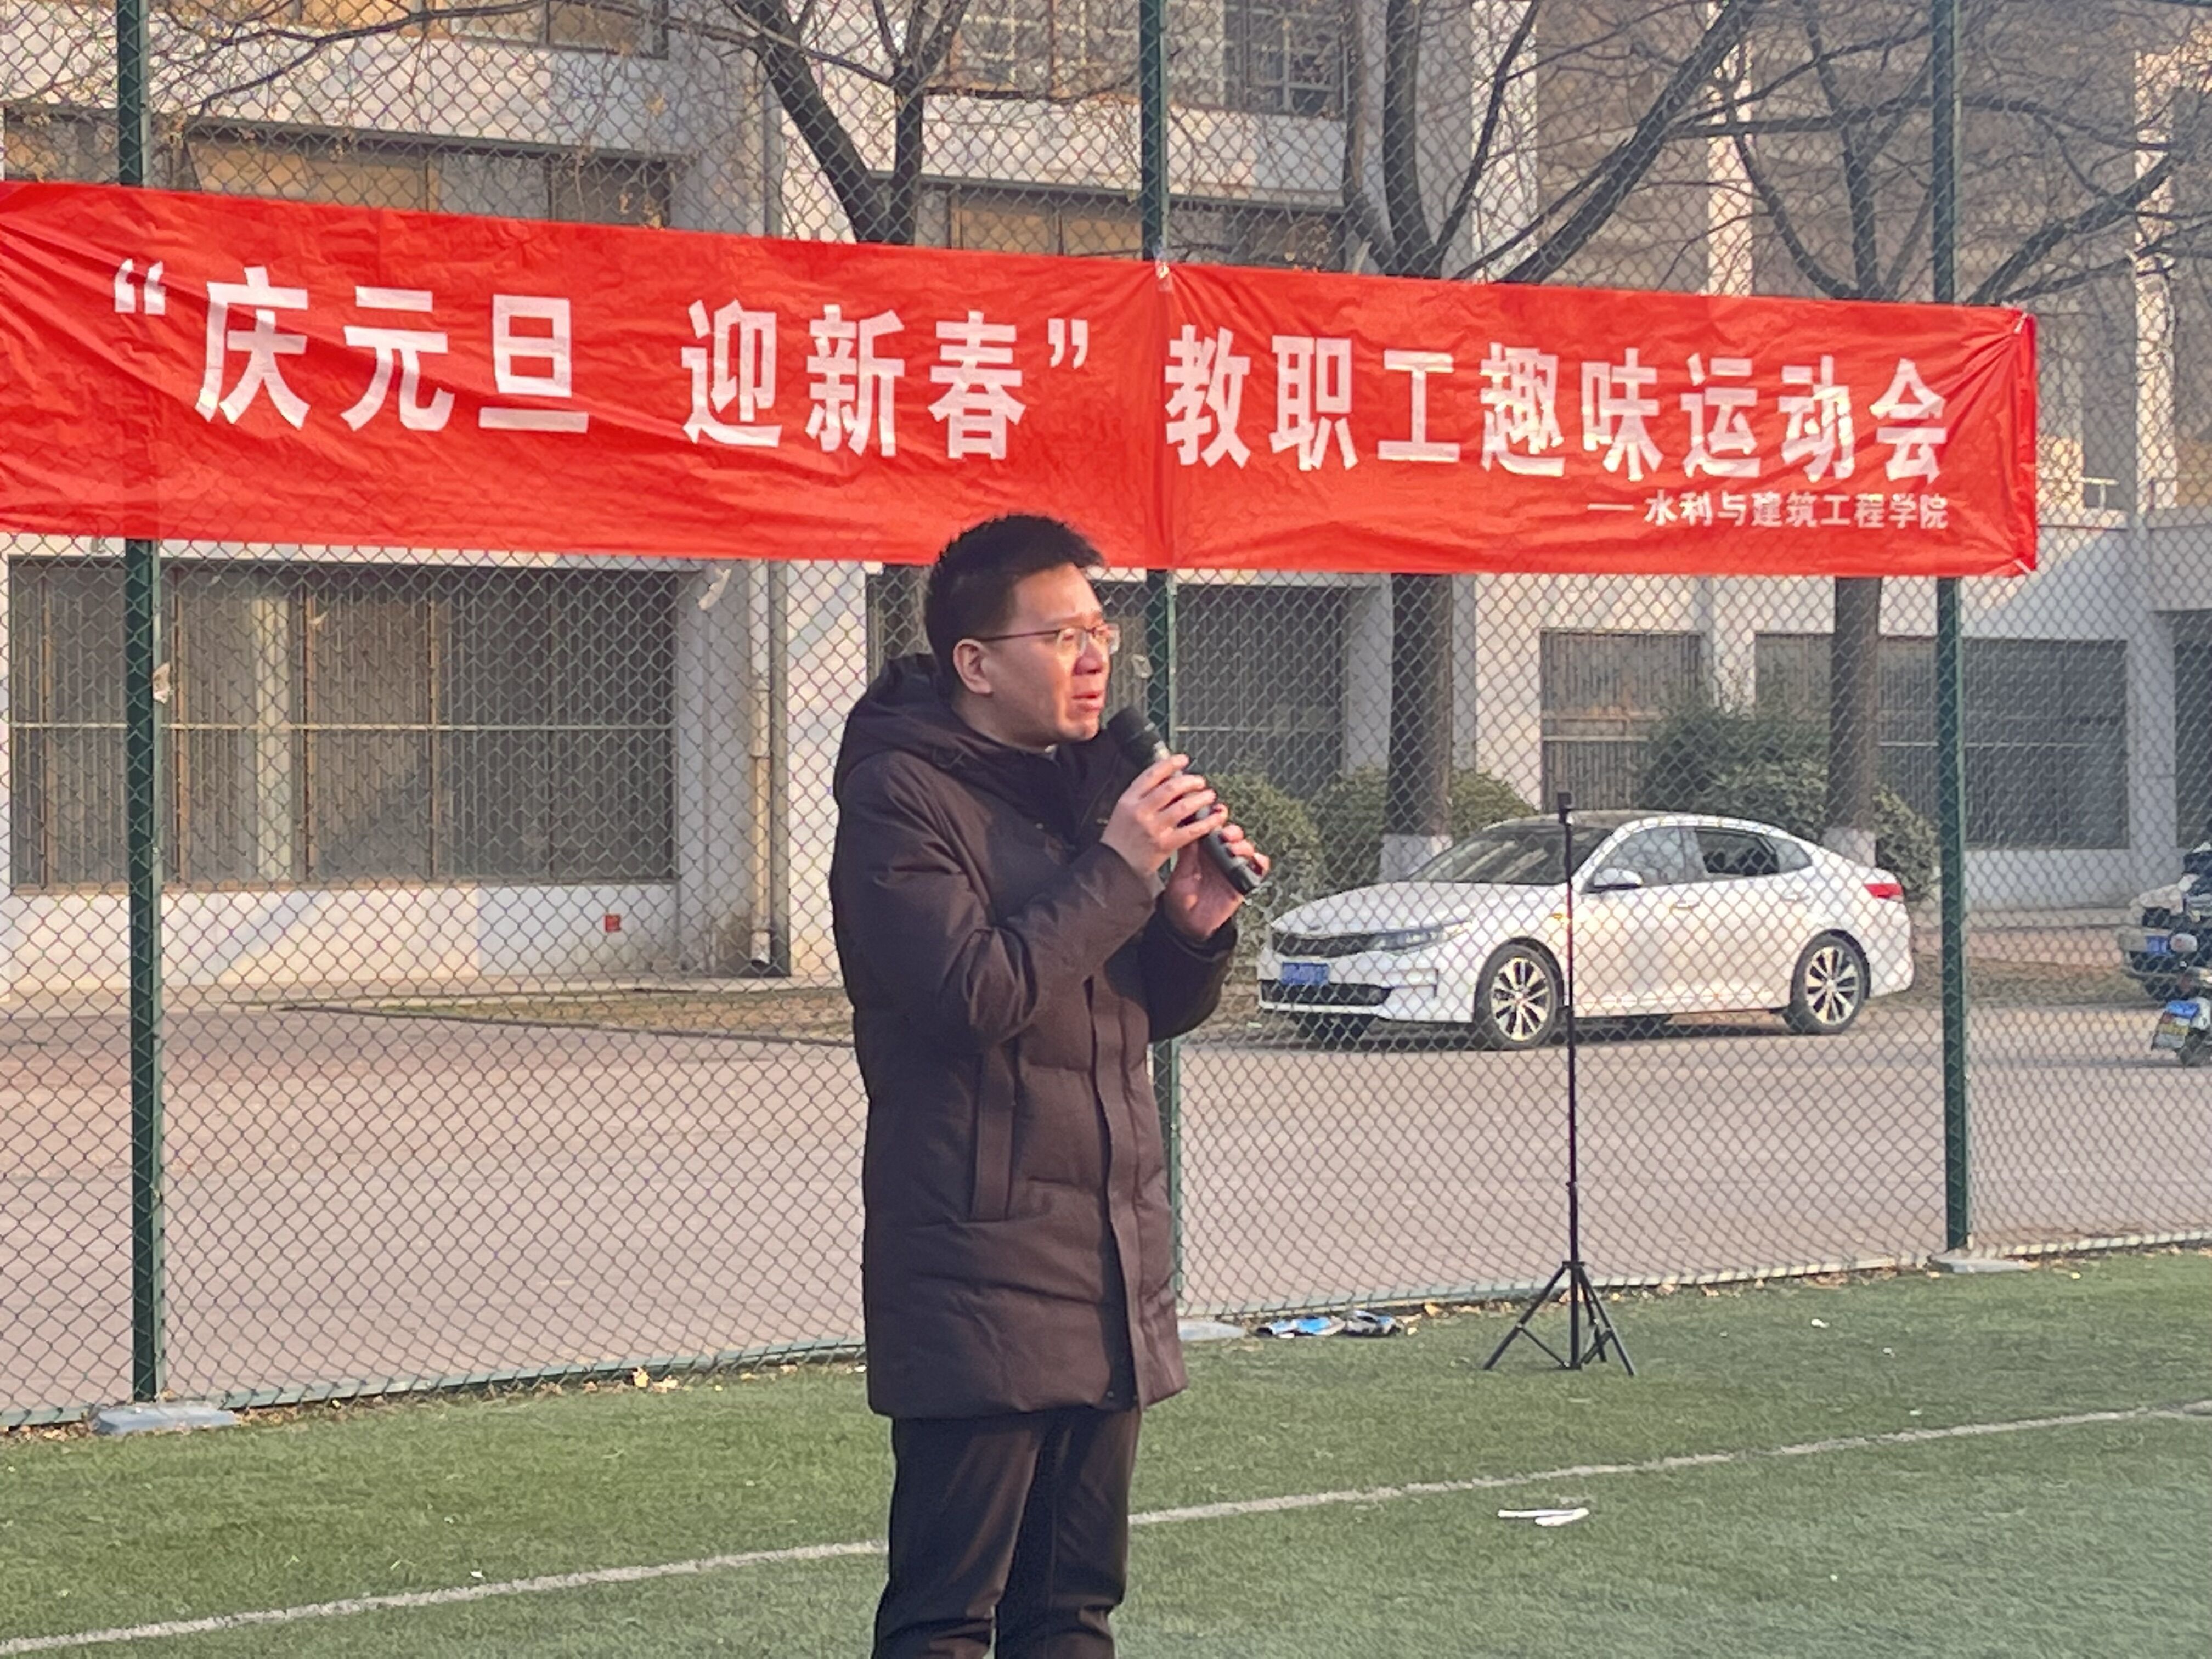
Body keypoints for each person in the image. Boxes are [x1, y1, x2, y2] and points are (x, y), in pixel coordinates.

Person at [830, 515, 1268, 1658]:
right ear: (976, 663)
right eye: (1062, 635)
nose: (1094, 658)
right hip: (980, 1266)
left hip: (1108, 1258)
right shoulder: (898, 798)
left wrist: (1191, 926)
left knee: (1074, 1611)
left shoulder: (1089, 787)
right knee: (947, 1618)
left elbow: (1133, 1013)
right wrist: (1120, 866)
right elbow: (972, 996)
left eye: (1101, 631)